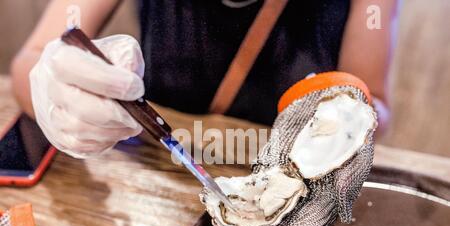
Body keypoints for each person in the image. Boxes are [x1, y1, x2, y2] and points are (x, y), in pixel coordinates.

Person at [11, 0, 397, 159]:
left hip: (291, 170)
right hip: (155, 160)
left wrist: (348, 119)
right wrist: (57, 92)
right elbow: (34, 57)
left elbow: (373, 99)